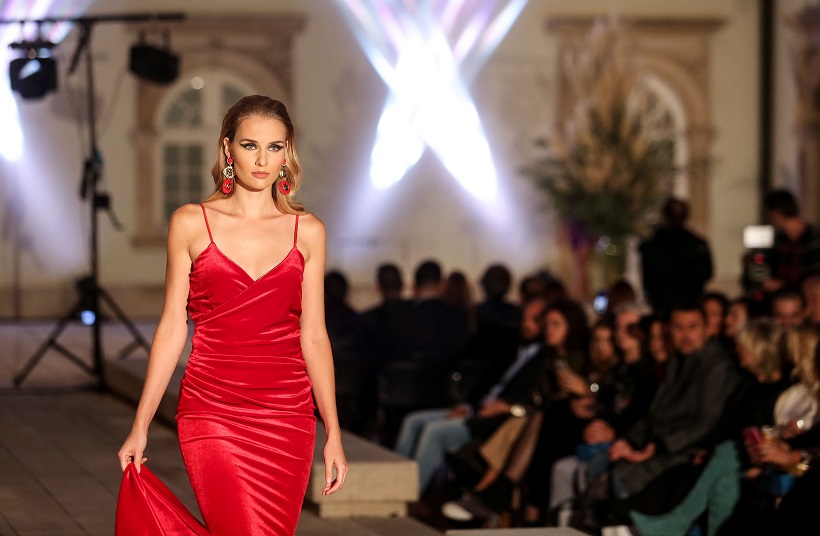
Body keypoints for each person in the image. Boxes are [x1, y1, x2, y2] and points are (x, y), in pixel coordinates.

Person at [116, 96, 347, 536]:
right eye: (249, 145)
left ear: (287, 152)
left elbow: (315, 335)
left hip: (287, 417)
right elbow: (172, 326)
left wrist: (333, 432)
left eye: (275, 147)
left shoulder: (308, 231)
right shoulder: (190, 222)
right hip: (212, 410)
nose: (262, 160)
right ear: (227, 149)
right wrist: (140, 425)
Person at [394, 298, 548, 494]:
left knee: (434, 431)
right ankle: (392, 482)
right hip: (476, 409)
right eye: (524, 318)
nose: (526, 324)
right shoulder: (512, 348)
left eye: (534, 320)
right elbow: (485, 385)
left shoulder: (543, 361)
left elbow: (532, 404)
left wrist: (506, 408)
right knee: (413, 420)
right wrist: (467, 407)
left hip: (496, 421)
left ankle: (406, 494)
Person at [639, 197, 713, 317]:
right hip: (671, 305)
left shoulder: (653, 246)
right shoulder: (697, 245)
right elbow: (707, 273)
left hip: (672, 305)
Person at [762, 189, 820, 291]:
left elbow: (815, 275)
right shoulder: (779, 239)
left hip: (805, 293)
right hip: (781, 293)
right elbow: (769, 265)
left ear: (776, 214)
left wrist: (784, 284)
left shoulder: (813, 238)